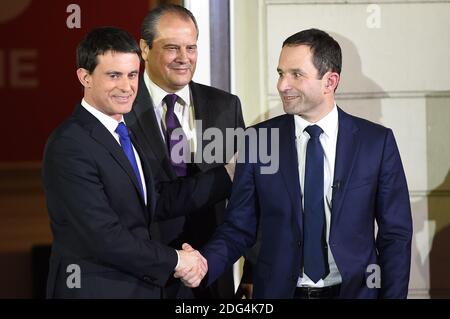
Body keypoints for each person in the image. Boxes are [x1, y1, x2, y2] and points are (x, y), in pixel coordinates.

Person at [186, 28, 413, 298]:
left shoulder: (376, 143)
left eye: (296, 74)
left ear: (330, 81)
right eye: (281, 74)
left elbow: (395, 236)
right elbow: (238, 227)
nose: (282, 85)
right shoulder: (258, 140)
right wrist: (204, 264)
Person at [42, 26, 233, 298]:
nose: (127, 86)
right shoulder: (69, 145)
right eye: (114, 75)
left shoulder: (124, 132)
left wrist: (230, 174)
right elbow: (104, 237)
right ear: (85, 77)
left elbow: (156, 200)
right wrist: (177, 260)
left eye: (132, 75)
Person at [124, 4, 249, 298]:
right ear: (144, 48)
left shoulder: (224, 106)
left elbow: (248, 195)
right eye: (172, 48)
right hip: (142, 279)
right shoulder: (121, 109)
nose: (184, 58)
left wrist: (253, 269)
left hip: (210, 276)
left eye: (191, 47)